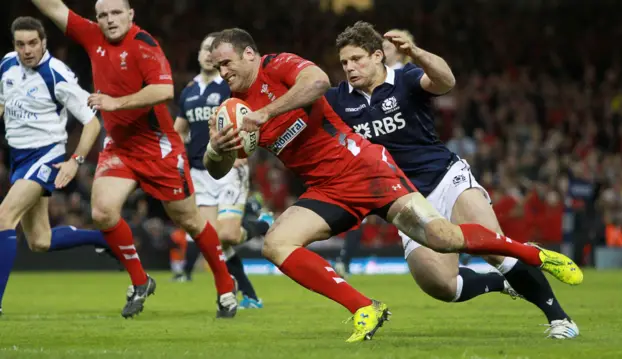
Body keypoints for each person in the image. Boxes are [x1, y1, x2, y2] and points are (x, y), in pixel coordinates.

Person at [204, 28, 582, 342]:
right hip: (327, 187)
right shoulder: (238, 108)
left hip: (392, 173)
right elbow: (219, 168)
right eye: (216, 66)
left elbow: (317, 80)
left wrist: (266, 112)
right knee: (278, 244)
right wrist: (215, 149)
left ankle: (540, 266)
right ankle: (364, 307)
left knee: (449, 239)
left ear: (250, 54)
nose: (222, 71)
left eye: (226, 62)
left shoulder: (289, 68)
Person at [325, 21, 579, 338]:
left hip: (446, 177)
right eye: (344, 62)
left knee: (495, 247)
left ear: (378, 56)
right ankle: (502, 283)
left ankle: (561, 319)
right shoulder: (337, 100)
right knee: (443, 287)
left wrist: (416, 53)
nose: (349, 67)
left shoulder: (406, 79)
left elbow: (446, 80)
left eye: (357, 59)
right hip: (405, 199)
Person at [30, 0, 238, 318]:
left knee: (190, 220)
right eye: (103, 15)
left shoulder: (144, 44)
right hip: (120, 147)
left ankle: (225, 285)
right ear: (96, 18)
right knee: (102, 211)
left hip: (158, 147)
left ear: (131, 14)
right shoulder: (92, 35)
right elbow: (54, 8)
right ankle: (140, 281)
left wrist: (117, 103)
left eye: (116, 13)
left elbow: (164, 89)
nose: (110, 20)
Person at [0, 16, 108, 316]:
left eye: (33, 43)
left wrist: (75, 161)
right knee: (40, 241)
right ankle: (102, 237)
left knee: (4, 217)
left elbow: (92, 123)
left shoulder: (57, 75)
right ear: (14, 45)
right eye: (21, 44)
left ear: (43, 42)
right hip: (18, 158)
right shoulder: (6, 66)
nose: (27, 50)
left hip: (46, 155)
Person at [173, 32, 273, 308]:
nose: (208, 54)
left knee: (227, 235)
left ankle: (261, 223)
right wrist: (173, 151)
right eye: (204, 49)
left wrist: (244, 150)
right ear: (198, 55)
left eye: (213, 50)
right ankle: (250, 295)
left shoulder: (231, 86)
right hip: (198, 171)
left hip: (229, 166)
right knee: (212, 242)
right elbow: (180, 130)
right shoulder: (189, 91)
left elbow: (252, 120)